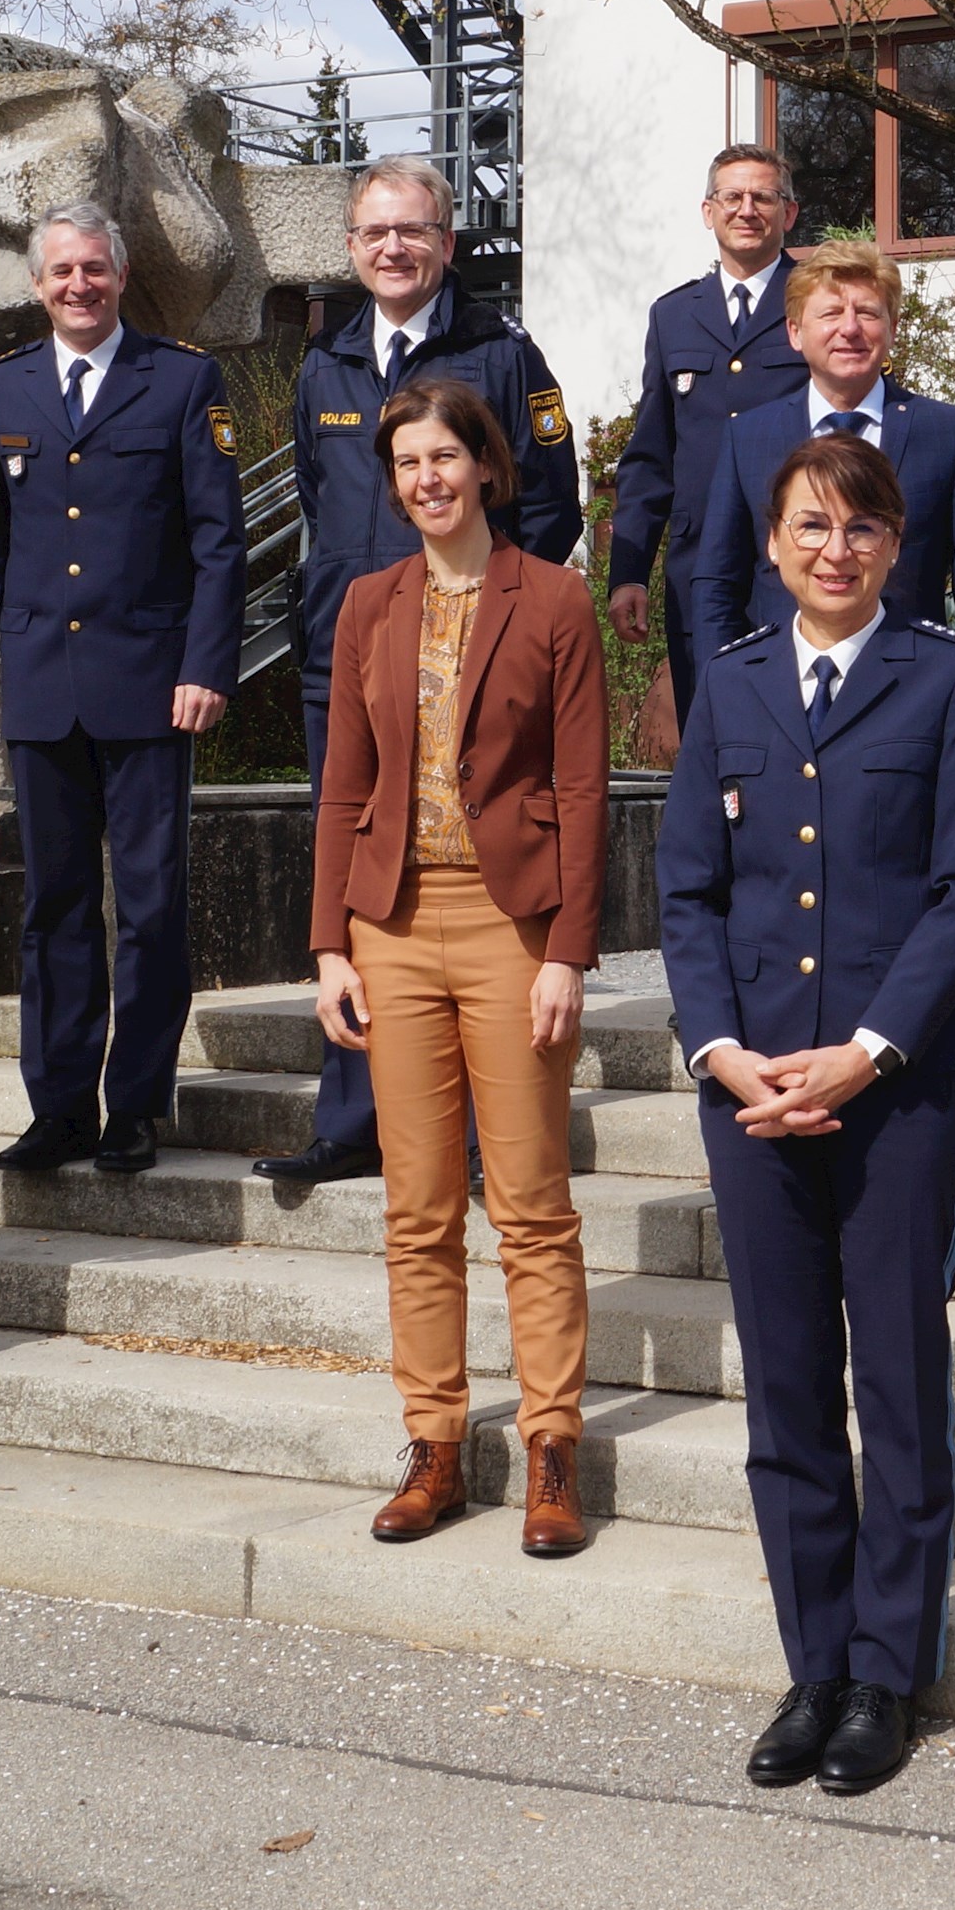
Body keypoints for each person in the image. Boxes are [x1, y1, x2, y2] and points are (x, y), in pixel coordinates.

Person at [660, 431, 955, 1799]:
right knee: (790, 1384)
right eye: (811, 525)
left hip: (897, 1085)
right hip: (751, 1093)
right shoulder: (735, 684)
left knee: (899, 1383)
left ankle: (888, 1668)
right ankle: (813, 1658)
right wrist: (722, 1049)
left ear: (894, 542)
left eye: (861, 526)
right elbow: (687, 888)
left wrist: (865, 1051)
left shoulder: (952, 676)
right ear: (772, 540)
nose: (835, 547)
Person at [309, 376, 610, 1559]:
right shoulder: (365, 604)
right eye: (405, 465)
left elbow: (582, 789)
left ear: (486, 465)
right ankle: (434, 1445)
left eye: (444, 458)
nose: (426, 481)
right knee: (416, 1210)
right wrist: (329, 940)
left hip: (510, 923)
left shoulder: (554, 601)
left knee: (531, 1207)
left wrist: (568, 954)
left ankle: (550, 1450)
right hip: (390, 920)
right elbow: (341, 781)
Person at [258, 158, 586, 1196]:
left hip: (474, 660)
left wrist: (494, 621)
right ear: (351, 249)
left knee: (484, 868)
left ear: (448, 242)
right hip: (348, 657)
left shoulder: (502, 353)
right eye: (372, 234)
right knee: (364, 877)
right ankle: (354, 1115)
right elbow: (323, 500)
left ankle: (496, 1121)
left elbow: (553, 504)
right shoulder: (326, 364)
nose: (391, 249)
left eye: (413, 231)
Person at [0, 203, 247, 1179]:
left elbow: (218, 543)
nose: (79, 285)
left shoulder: (184, 380)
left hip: (152, 688)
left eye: (95, 271)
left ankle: (136, 1106)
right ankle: (60, 1107)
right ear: (39, 285)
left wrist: (206, 666)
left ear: (118, 279)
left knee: (151, 905)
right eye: (62, 271)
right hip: (39, 687)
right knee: (55, 907)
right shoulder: (8, 389)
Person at [682, 238, 955, 664]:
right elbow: (717, 584)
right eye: (831, 313)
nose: (850, 329)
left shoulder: (946, 432)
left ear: (892, 327)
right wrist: (726, 691)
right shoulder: (749, 437)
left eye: (868, 313)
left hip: (912, 689)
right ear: (795, 332)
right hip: (780, 694)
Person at [608, 145, 811, 716]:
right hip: (698, 574)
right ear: (708, 211)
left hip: (799, 564)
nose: (747, 210)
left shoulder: (819, 301)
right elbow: (651, 456)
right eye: (732, 197)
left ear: (788, 214)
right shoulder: (673, 315)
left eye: (763, 198)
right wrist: (630, 574)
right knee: (711, 733)